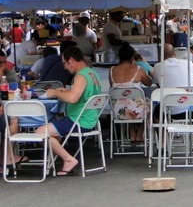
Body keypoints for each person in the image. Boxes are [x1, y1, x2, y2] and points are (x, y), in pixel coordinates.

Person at [35, 46, 102, 176]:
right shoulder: (92, 73)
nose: (65, 67)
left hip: (77, 120)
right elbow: (80, 95)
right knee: (53, 132)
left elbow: (72, 99)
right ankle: (51, 162)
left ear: (71, 60)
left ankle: (68, 159)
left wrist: (54, 92)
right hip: (90, 119)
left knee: (40, 132)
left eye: (65, 63)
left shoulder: (80, 76)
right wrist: (66, 91)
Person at [109, 42, 152, 144]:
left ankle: (131, 131)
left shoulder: (112, 70)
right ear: (132, 57)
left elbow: (113, 87)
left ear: (119, 56)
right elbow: (149, 83)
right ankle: (140, 132)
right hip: (136, 112)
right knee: (146, 104)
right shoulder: (138, 69)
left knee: (127, 102)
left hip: (118, 112)